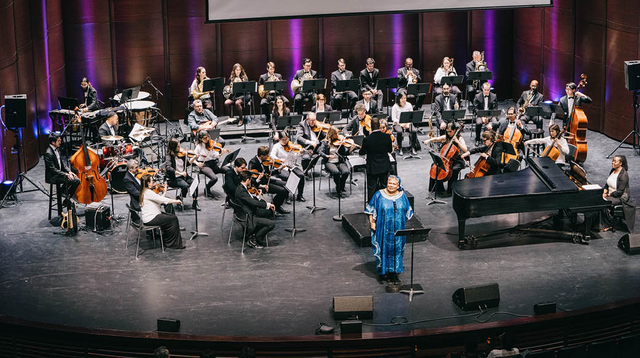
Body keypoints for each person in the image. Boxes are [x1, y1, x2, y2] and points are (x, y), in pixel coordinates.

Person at [365, 175, 413, 284]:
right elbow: (371, 210)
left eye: (393, 184)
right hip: (383, 228)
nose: (391, 186)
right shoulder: (379, 195)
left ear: (398, 185)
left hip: (398, 230)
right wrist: (372, 222)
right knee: (383, 248)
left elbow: (407, 211)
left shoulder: (402, 196)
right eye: (389, 183)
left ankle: (394, 274)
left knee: (397, 250)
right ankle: (383, 272)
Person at [139, 174, 185, 249]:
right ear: (147, 183)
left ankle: (168, 240)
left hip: (152, 215)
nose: (153, 183)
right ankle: (172, 244)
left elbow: (158, 199)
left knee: (170, 217)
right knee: (173, 219)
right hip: (151, 218)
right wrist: (176, 201)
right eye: (151, 181)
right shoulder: (148, 192)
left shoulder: (145, 191)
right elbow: (163, 200)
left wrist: (165, 191)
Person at [423, 122, 468, 195]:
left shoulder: (460, 138)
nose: (449, 133)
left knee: (454, 169)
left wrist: (457, 142)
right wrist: (429, 140)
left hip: (458, 160)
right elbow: (437, 138)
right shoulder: (446, 137)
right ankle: (438, 188)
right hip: (447, 159)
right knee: (436, 165)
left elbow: (465, 150)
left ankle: (451, 190)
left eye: (450, 131)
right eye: (447, 132)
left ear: (454, 130)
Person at [235, 170, 276, 249]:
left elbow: (249, 199)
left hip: (249, 211)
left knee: (268, 212)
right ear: (248, 180)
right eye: (250, 179)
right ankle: (256, 238)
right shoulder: (241, 191)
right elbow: (253, 202)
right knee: (271, 224)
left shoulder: (241, 188)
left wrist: (258, 197)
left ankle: (255, 232)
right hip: (248, 215)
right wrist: (268, 204)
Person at [248, 146, 290, 215]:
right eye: (267, 155)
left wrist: (279, 170)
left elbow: (268, 173)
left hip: (267, 180)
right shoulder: (253, 162)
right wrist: (260, 182)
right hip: (261, 184)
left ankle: (277, 205)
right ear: (261, 156)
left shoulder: (265, 161)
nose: (268, 156)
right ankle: (276, 207)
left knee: (287, 185)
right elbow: (251, 179)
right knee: (282, 191)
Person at [359, 117, 393, 202]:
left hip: (372, 167)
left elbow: (362, 152)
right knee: (384, 186)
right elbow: (389, 150)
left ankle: (372, 207)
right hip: (384, 165)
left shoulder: (367, 139)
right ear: (378, 126)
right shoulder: (386, 137)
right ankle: (385, 205)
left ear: (371, 126)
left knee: (372, 188)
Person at [44, 133, 81, 203]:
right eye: (58, 141)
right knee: (74, 180)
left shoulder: (57, 149)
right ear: (53, 142)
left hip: (59, 173)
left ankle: (66, 196)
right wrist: (66, 174)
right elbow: (53, 170)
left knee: (76, 179)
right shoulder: (48, 154)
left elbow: (62, 164)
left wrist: (69, 171)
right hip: (53, 176)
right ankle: (63, 193)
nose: (60, 142)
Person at [270, 131, 306, 202]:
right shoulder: (276, 146)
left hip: (290, 166)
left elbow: (294, 157)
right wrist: (280, 160)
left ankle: (300, 195)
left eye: (287, 139)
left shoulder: (290, 146)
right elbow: (272, 156)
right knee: (287, 177)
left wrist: (299, 153)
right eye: (283, 139)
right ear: (279, 139)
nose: (286, 141)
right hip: (281, 167)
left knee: (301, 175)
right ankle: (286, 196)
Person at [603, 155, 636, 232]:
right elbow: (607, 184)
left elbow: (619, 192)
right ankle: (597, 223)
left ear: (620, 163)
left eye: (615, 161)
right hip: (610, 194)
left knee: (603, 202)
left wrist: (607, 195)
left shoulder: (623, 175)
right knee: (597, 199)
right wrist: (604, 191)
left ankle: (607, 224)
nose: (612, 162)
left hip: (619, 197)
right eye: (612, 160)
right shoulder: (613, 170)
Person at [319, 126, 354, 197]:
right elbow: (320, 151)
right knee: (336, 173)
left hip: (339, 161)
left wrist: (350, 149)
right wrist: (327, 156)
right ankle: (339, 189)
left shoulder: (339, 142)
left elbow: (344, 153)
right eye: (336, 134)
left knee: (346, 172)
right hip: (329, 162)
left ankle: (340, 185)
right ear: (331, 134)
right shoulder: (325, 142)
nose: (338, 135)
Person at [165, 138, 198, 210]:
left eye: (179, 146)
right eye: (178, 147)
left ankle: (195, 203)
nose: (180, 148)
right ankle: (179, 197)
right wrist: (180, 173)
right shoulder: (169, 156)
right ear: (173, 147)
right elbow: (169, 168)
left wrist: (194, 158)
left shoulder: (181, 154)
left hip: (183, 176)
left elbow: (187, 164)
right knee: (185, 185)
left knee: (194, 183)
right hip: (174, 178)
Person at [191, 130, 226, 199]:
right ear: (200, 139)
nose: (207, 139)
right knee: (214, 178)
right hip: (205, 165)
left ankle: (227, 187)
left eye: (208, 137)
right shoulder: (199, 147)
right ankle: (207, 188)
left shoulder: (211, 144)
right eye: (205, 138)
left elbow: (215, 155)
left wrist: (221, 154)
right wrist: (197, 163)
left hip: (214, 163)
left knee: (228, 170)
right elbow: (192, 159)